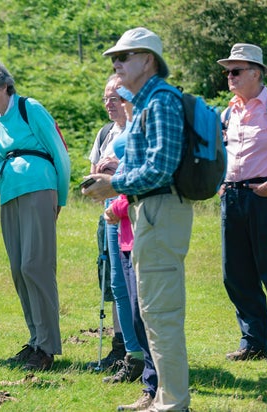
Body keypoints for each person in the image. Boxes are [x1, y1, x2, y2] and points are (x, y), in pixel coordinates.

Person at [83, 27, 192, 411]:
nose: (116, 62)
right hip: (150, 209)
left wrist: (114, 184)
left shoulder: (161, 101)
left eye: (125, 56)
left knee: (161, 312)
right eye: (115, 56)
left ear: (148, 60)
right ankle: (163, 396)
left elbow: (160, 168)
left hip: (161, 208)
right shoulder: (149, 102)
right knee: (151, 310)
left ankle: (173, 403)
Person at [0, 60, 71, 371]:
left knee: (35, 266)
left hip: (40, 188)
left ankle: (48, 347)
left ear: (3, 86)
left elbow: (60, 152)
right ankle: (35, 340)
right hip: (9, 194)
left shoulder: (30, 108)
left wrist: (61, 199)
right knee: (18, 268)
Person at [217, 43, 267, 365]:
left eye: (236, 71)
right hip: (232, 197)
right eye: (228, 72)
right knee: (235, 273)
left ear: (255, 73)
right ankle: (252, 341)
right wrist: (220, 186)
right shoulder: (228, 112)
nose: (230, 77)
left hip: (264, 197)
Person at [87, 75, 144, 384]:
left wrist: (115, 171)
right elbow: (96, 172)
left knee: (138, 288)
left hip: (133, 213)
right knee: (118, 286)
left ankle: (146, 357)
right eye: (106, 98)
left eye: (116, 97)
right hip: (111, 212)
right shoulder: (107, 133)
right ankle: (131, 355)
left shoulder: (142, 129)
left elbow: (143, 171)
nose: (110, 103)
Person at [104, 92, 158, 410]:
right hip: (127, 233)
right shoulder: (135, 124)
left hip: (142, 230)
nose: (118, 103)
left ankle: (156, 389)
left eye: (123, 97)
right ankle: (151, 388)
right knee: (138, 316)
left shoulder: (148, 125)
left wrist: (116, 199)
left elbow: (146, 175)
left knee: (148, 315)